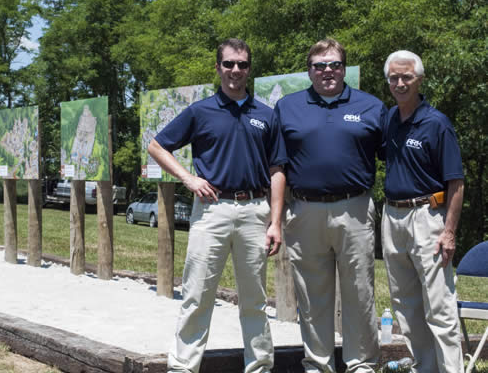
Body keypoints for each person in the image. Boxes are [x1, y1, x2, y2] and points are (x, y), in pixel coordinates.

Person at [148, 38, 288, 373]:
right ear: (218, 68)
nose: (235, 70)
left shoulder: (267, 115)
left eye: (241, 64)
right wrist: (188, 178)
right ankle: (182, 368)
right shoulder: (201, 111)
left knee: (254, 301)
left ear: (249, 69)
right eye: (228, 64)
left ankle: (260, 367)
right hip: (211, 212)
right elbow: (156, 146)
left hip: (256, 211)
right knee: (197, 295)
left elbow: (278, 169)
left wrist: (276, 221)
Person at [274, 38, 385, 372]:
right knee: (312, 297)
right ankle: (318, 365)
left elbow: (396, 156)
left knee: (359, 294)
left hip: (355, 209)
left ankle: (361, 365)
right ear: (309, 70)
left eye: (334, 64)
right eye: (319, 65)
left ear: (344, 68)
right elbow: (276, 165)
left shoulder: (371, 106)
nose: (327, 71)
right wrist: (275, 218)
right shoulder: (288, 107)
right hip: (304, 210)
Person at [382, 50, 464, 373]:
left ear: (419, 79)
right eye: (394, 78)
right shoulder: (388, 119)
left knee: (439, 308)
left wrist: (449, 231)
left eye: (407, 77)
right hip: (393, 217)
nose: (400, 83)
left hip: (428, 217)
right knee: (406, 307)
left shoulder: (437, 123)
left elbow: (456, 182)